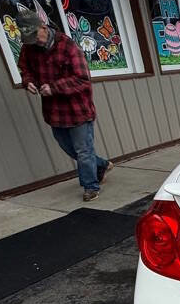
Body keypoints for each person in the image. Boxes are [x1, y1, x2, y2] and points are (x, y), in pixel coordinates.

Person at [16, 10, 112, 201]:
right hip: (54, 112)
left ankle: (90, 187)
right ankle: (101, 165)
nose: (35, 41)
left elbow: (82, 79)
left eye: (36, 36)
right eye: (30, 39)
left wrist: (54, 88)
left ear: (43, 27)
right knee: (69, 148)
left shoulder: (68, 46)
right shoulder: (29, 48)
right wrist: (28, 82)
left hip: (78, 111)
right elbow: (24, 68)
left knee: (83, 152)